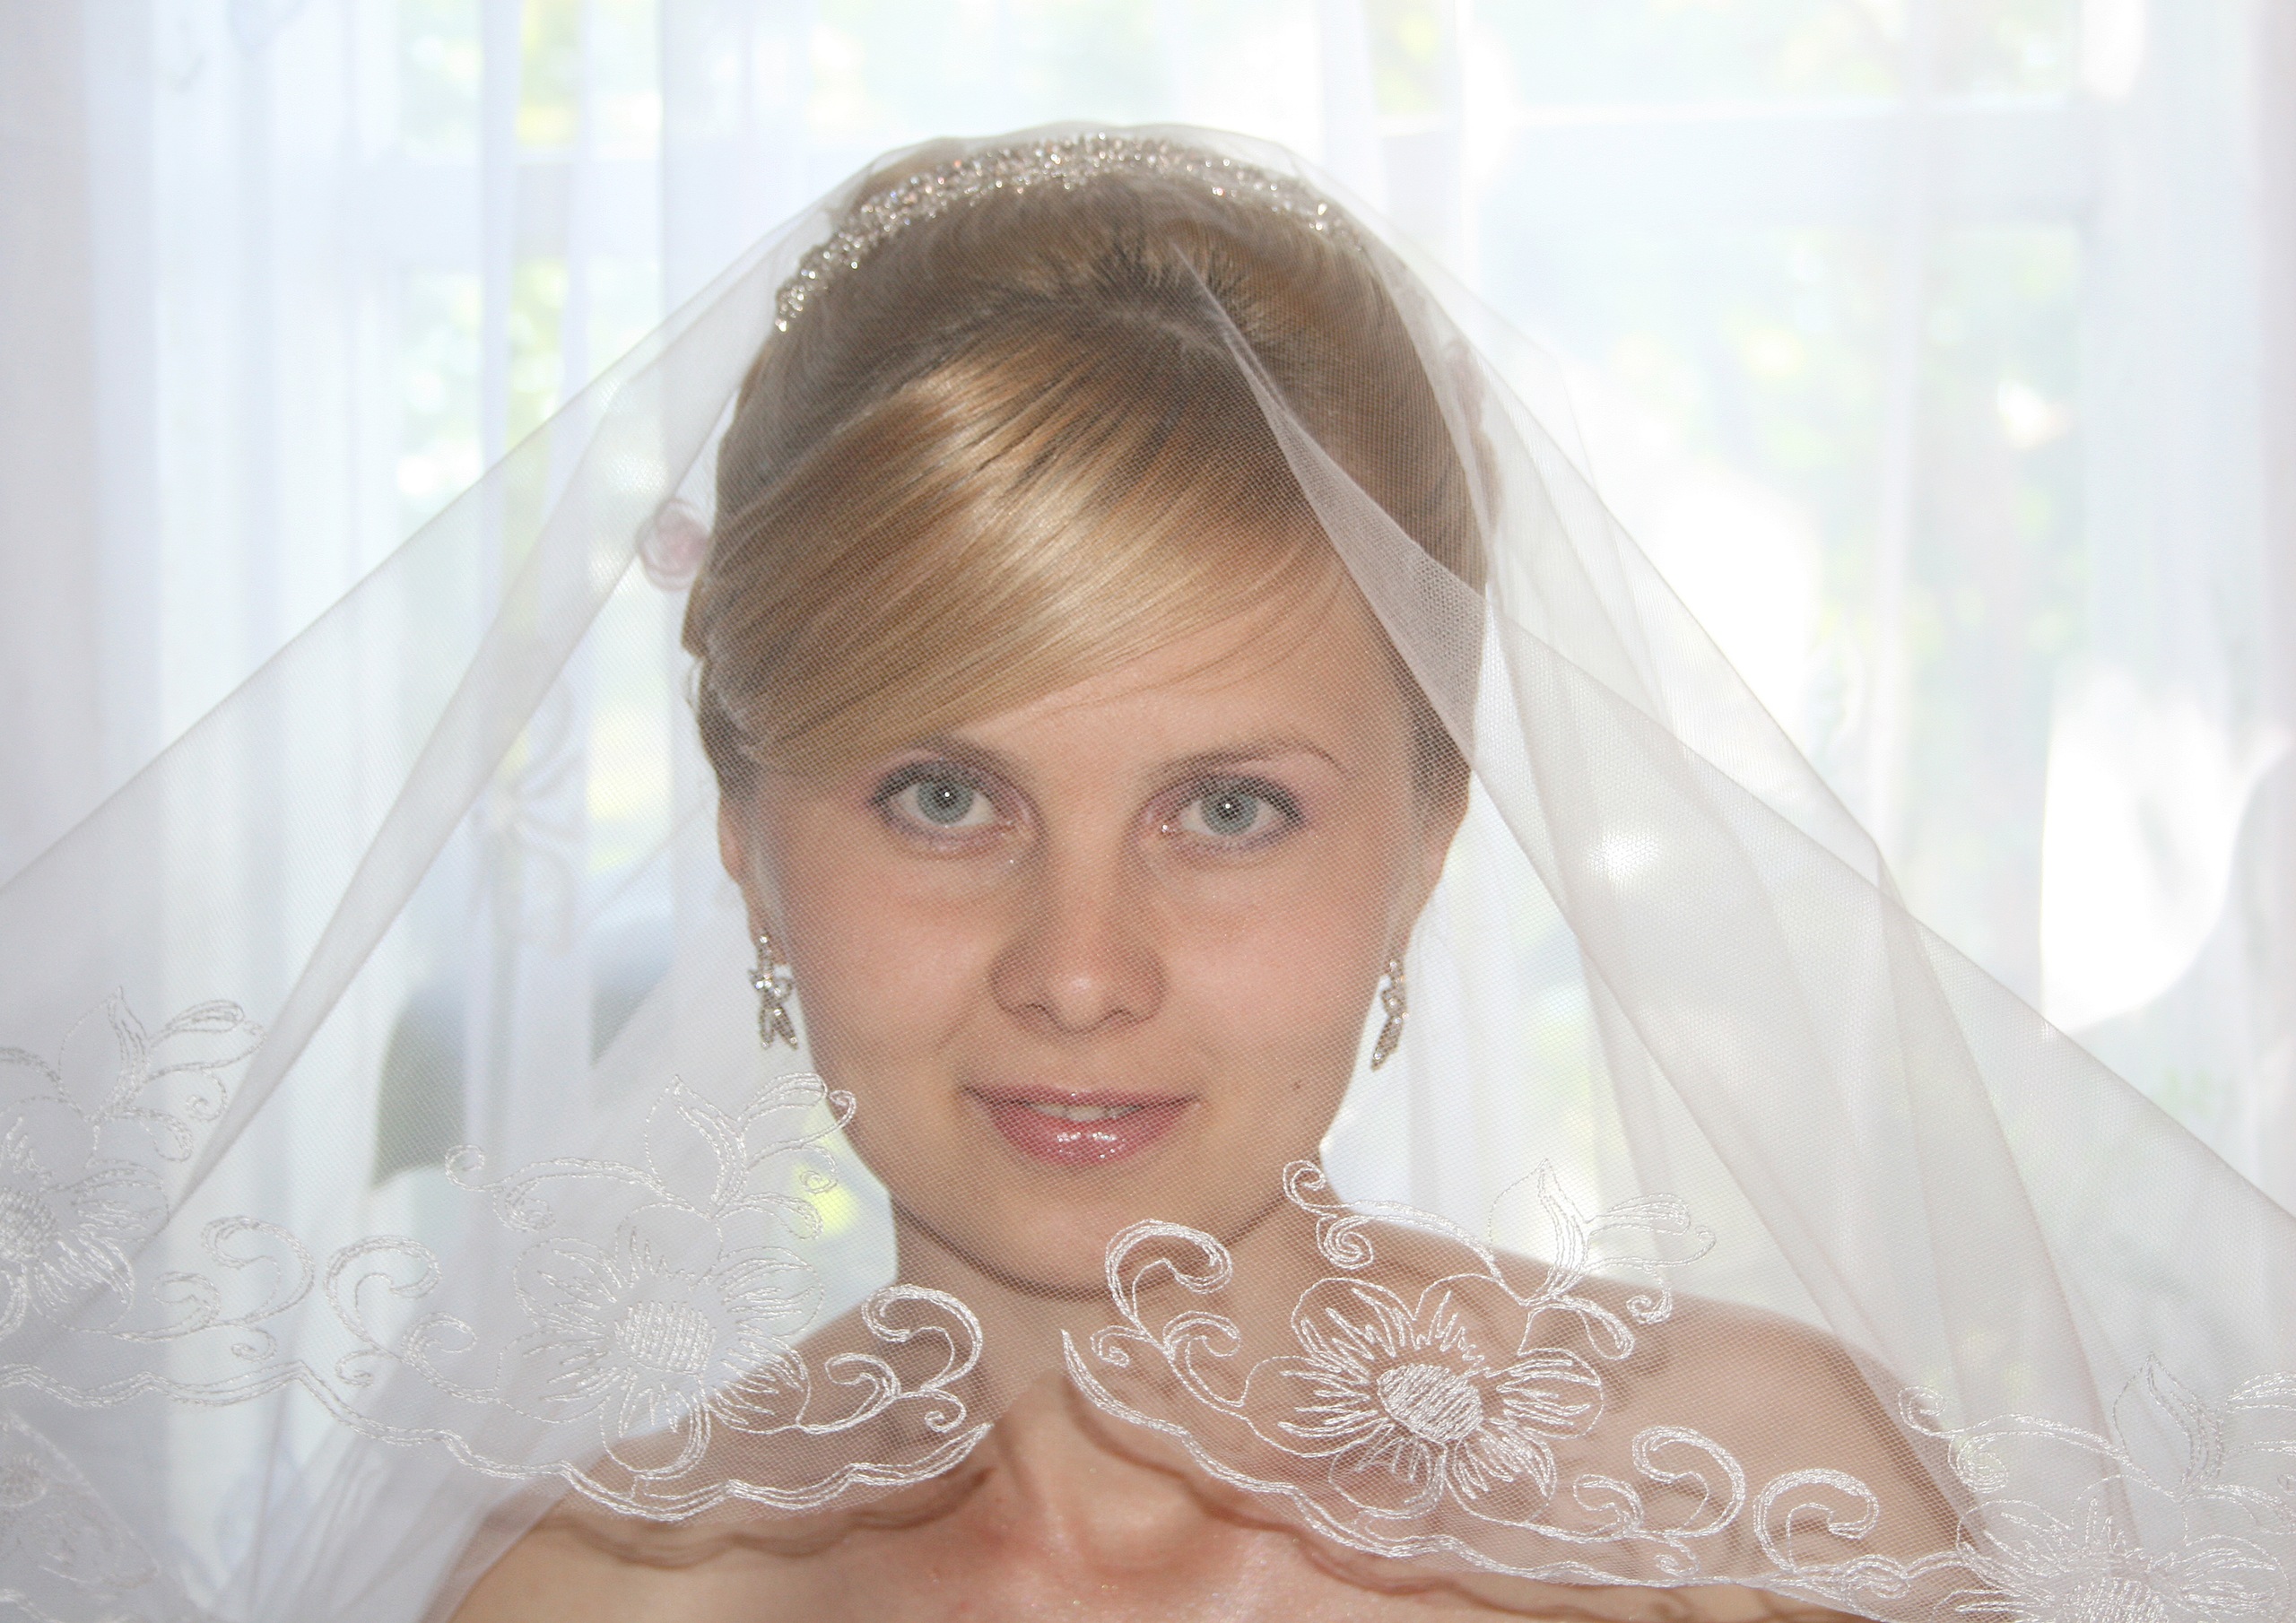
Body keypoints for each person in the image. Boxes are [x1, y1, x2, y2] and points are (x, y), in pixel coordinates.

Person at [2, 127, 2290, 1623]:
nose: (1077, 970)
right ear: (744, 841)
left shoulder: (1745, 1510)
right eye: (940, 795)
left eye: (1226, 807)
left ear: (1428, 839)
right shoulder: (591, 1593)